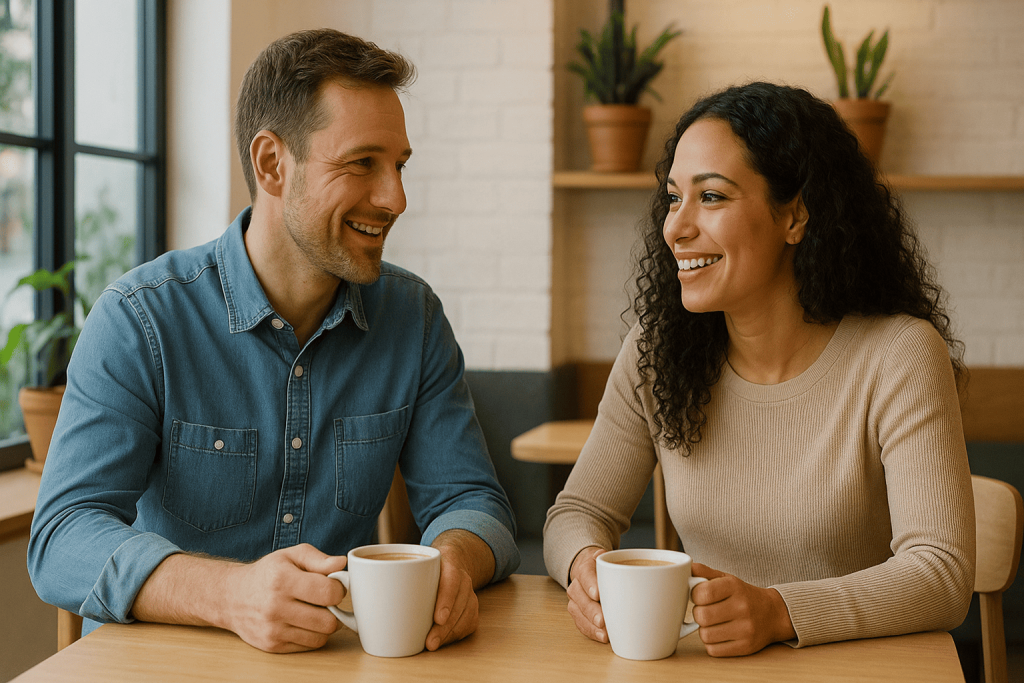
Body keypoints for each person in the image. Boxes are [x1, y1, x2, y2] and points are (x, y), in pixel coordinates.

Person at [28, 28, 519, 654]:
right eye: (361, 163)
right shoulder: (140, 320)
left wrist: (453, 562)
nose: (395, 197)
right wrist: (229, 595)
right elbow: (61, 538)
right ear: (271, 164)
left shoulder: (412, 317)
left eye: (398, 166)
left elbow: (470, 499)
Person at [543, 82, 975, 657]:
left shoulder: (899, 354)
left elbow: (940, 574)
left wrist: (778, 611)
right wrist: (586, 567)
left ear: (795, 215)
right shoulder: (656, 352)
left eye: (713, 197)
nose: (675, 227)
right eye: (674, 198)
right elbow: (577, 512)